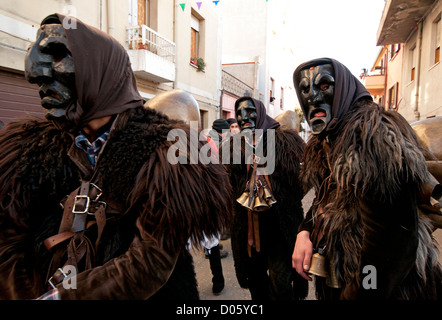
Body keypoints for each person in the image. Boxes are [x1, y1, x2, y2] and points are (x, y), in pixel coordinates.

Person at [0, 14, 232, 300]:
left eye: (58, 54)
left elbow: (151, 260)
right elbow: (7, 245)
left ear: (100, 70)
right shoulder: (29, 149)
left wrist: (62, 298)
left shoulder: (165, 152)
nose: (35, 73)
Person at [292, 57, 442, 299]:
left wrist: (357, 295)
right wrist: (304, 231)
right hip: (342, 277)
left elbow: (387, 252)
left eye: (323, 86)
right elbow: (323, 198)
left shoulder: (371, 140)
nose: (313, 98)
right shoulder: (327, 141)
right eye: (305, 89)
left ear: (342, 90)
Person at [222, 96, 308, 300]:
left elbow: (303, 182)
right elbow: (227, 186)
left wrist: (280, 197)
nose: (244, 118)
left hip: (278, 230)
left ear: (260, 113)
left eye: (250, 111)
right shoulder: (232, 147)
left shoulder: (285, 142)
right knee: (256, 282)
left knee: (281, 282)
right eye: (240, 113)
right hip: (247, 232)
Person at [145, 89, 228, 296]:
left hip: (197, 215)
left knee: (210, 246)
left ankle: (218, 279)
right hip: (162, 245)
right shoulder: (148, 159)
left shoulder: (204, 150)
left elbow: (213, 183)